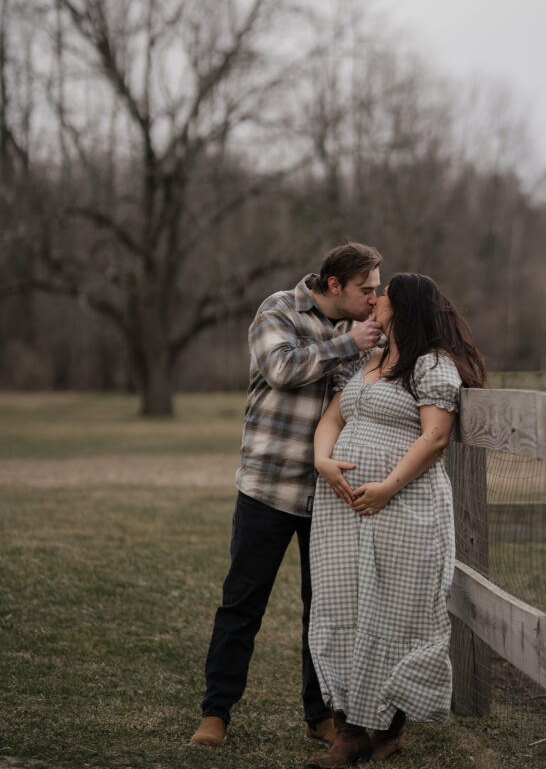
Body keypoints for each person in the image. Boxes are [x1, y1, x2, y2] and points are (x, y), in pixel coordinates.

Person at [189, 242, 384, 749]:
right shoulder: (278, 309)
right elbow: (280, 369)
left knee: (323, 610)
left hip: (329, 496)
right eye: (367, 289)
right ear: (334, 285)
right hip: (267, 488)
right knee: (242, 603)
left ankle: (319, 714)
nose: (374, 298)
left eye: (378, 290)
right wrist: (350, 346)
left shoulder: (361, 332)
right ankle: (216, 714)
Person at [307, 273, 487, 768]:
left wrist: (387, 487)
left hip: (402, 505)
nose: (375, 300)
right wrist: (324, 461)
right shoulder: (371, 359)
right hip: (342, 506)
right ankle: (348, 729)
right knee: (342, 600)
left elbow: (434, 438)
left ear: (403, 307)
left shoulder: (431, 366)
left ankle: (388, 725)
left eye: (383, 295)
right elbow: (331, 420)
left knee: (396, 608)